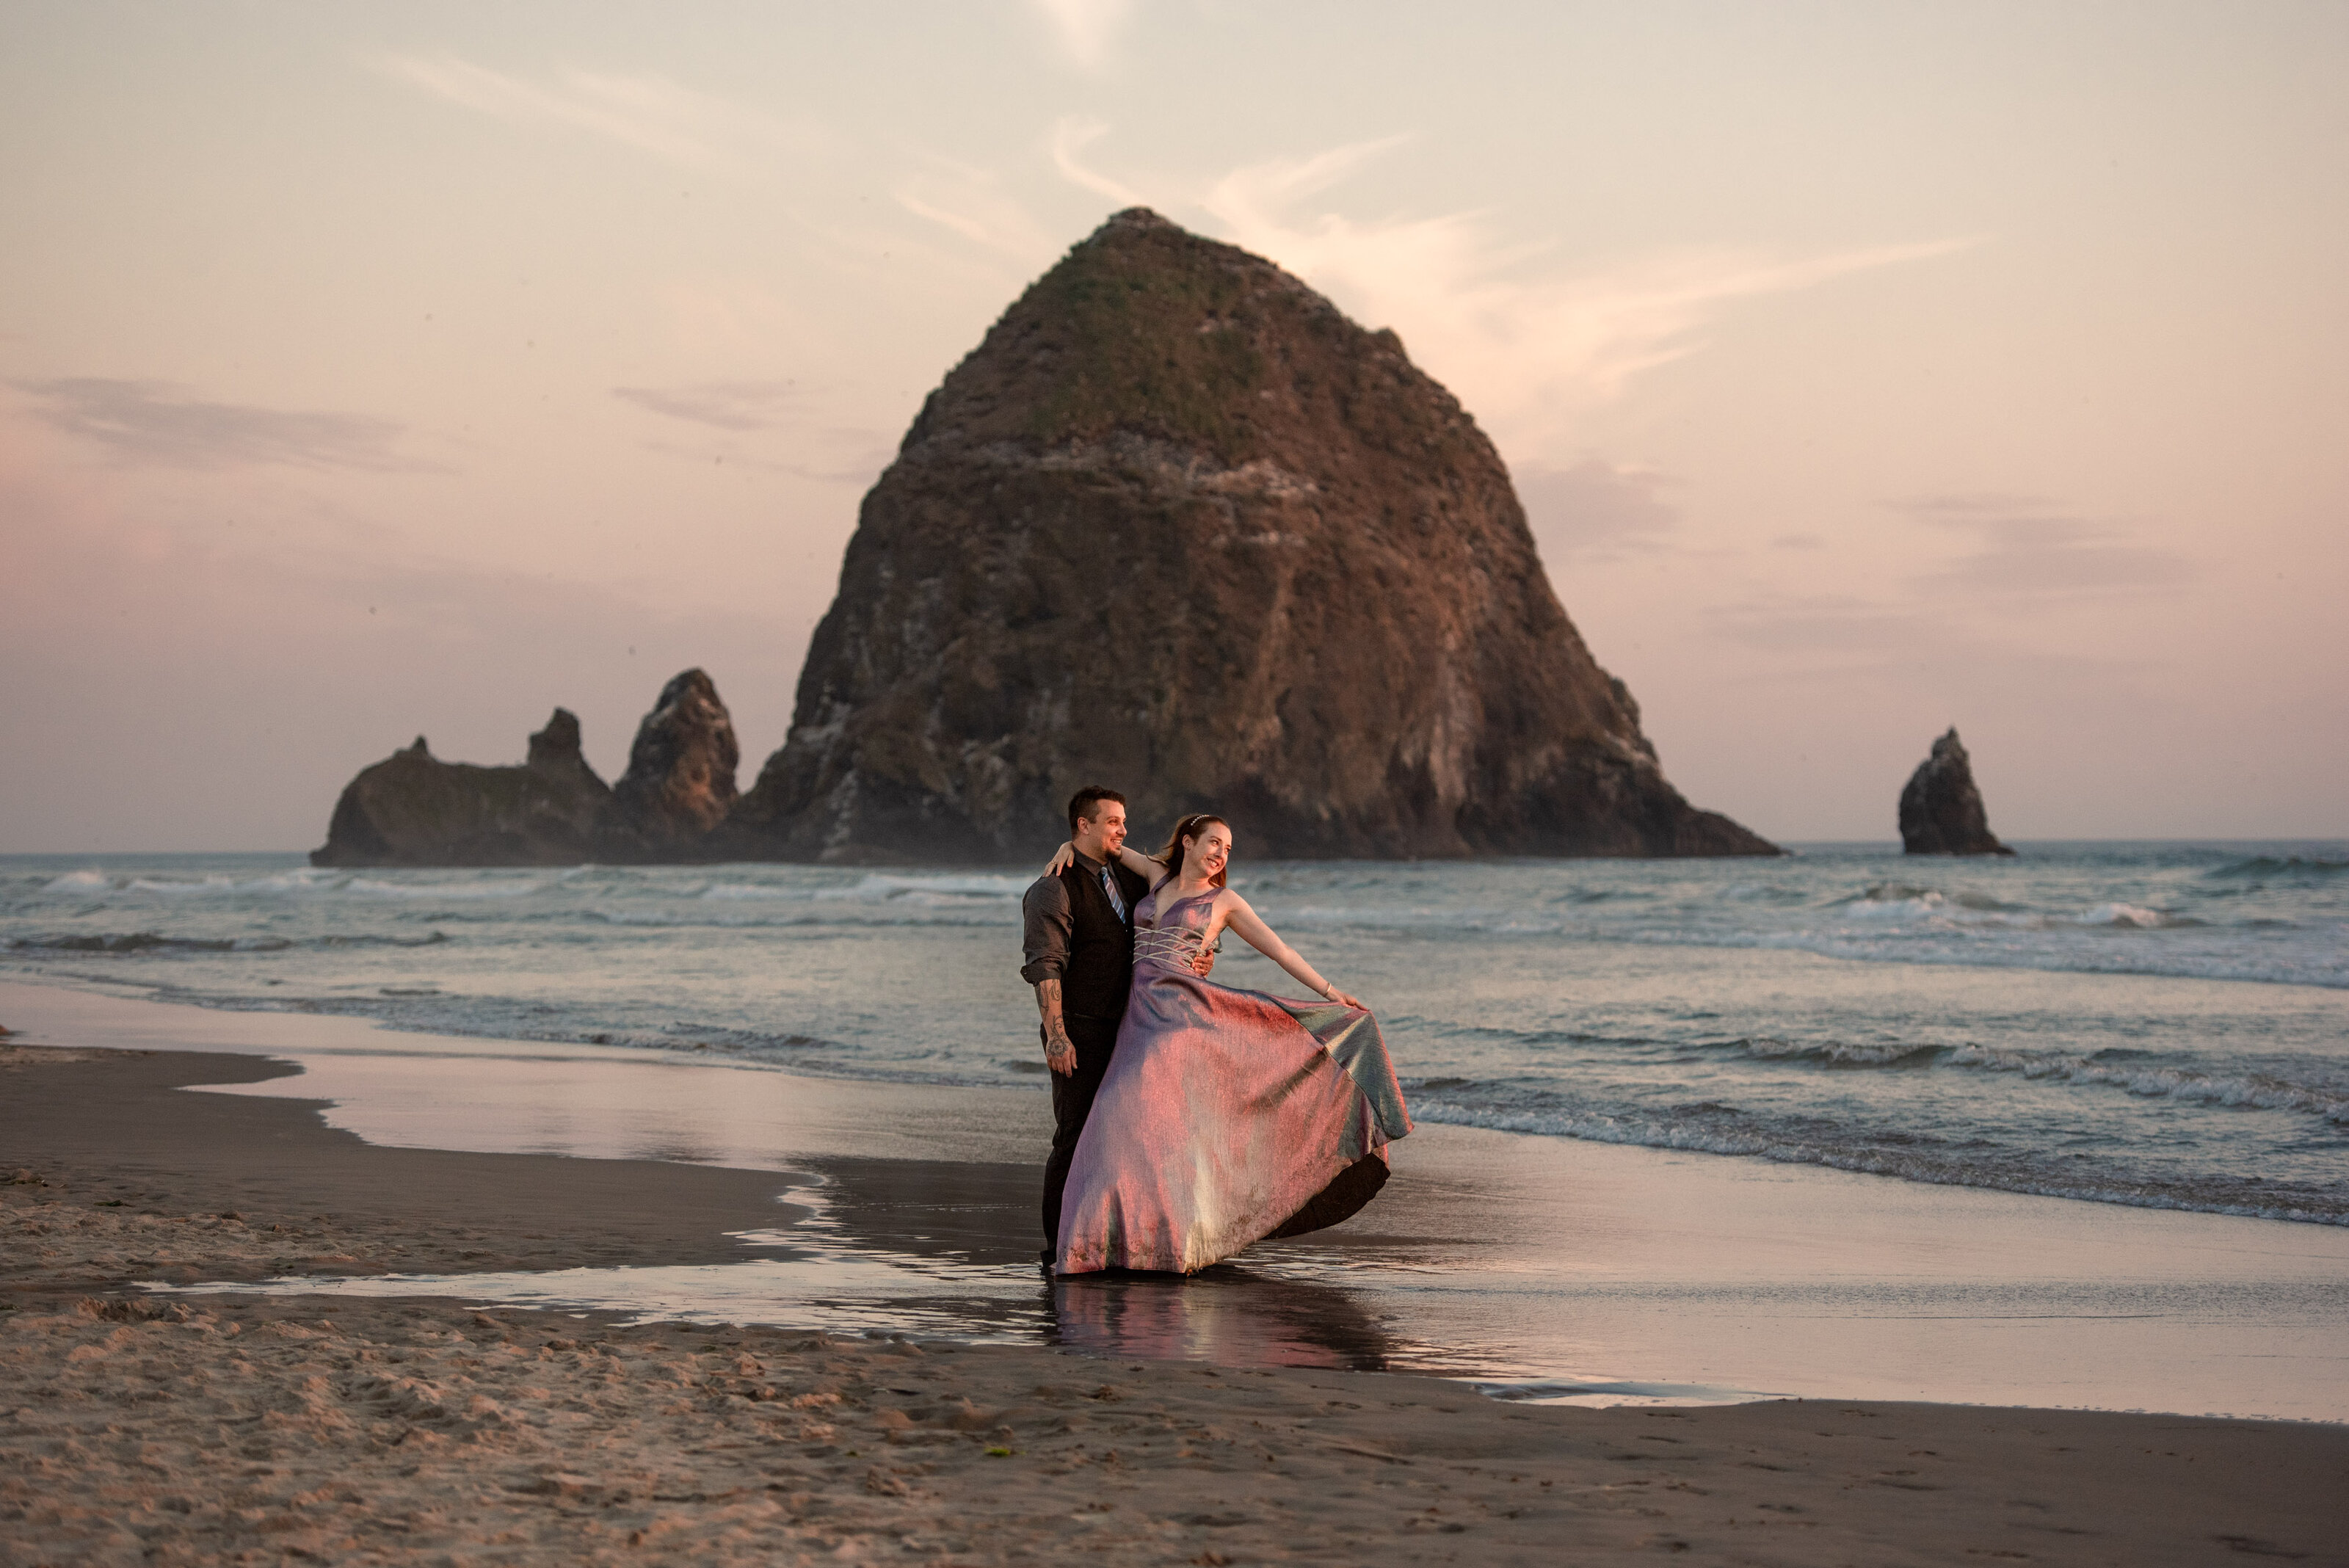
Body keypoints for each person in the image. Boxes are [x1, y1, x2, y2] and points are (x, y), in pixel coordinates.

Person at [1044, 812, 1412, 1274]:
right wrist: (1065, 850)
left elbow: (1281, 950)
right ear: (1189, 842)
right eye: (1215, 843)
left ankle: (1159, 1246)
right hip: (1137, 1019)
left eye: (1228, 848)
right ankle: (1116, 1246)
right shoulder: (1157, 878)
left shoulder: (1225, 902)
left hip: (1181, 1022)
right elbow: (1103, 848)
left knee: (1129, 1114)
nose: (1221, 854)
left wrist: (1330, 992)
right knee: (1126, 1130)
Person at [1019, 786, 1166, 1263]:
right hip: (1078, 1030)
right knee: (1074, 1136)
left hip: (1128, 1030)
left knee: (1122, 1138)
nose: (1124, 830)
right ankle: (1057, 1246)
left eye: (1125, 822)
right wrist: (1057, 1037)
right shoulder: (1053, 888)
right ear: (1085, 824)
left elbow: (1174, 879)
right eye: (1114, 822)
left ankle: (1107, 1238)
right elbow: (1046, 966)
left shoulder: (1124, 875)